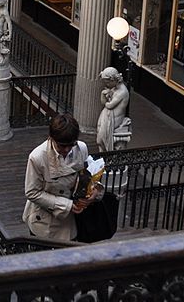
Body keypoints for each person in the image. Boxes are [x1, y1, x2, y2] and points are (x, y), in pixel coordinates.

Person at [23, 114, 103, 242]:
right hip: (45, 222)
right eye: (61, 145)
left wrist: (93, 193)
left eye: (71, 145)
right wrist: (67, 205)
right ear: (51, 138)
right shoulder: (37, 157)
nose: (66, 149)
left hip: (72, 222)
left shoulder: (81, 148)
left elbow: (87, 177)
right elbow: (32, 192)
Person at [96, 67, 132, 153]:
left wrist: (107, 97)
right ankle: (103, 159)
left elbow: (109, 105)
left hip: (114, 120)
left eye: (107, 82)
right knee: (100, 140)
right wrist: (103, 95)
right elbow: (103, 102)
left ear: (113, 80)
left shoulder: (122, 92)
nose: (106, 85)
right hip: (108, 116)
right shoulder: (114, 88)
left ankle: (106, 157)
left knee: (100, 140)